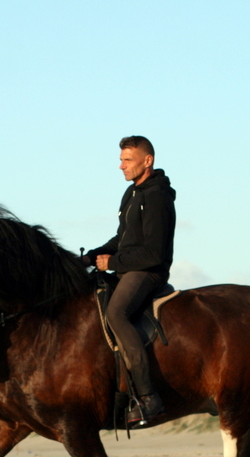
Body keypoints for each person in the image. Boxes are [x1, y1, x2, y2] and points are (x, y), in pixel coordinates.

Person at [85, 135, 176, 427]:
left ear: (147, 161)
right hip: (127, 268)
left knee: (116, 313)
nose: (121, 165)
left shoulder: (157, 196)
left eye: (127, 160)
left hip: (148, 271)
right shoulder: (131, 193)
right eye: (121, 159)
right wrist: (90, 258)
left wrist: (113, 263)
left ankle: (149, 398)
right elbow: (121, 239)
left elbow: (153, 252)